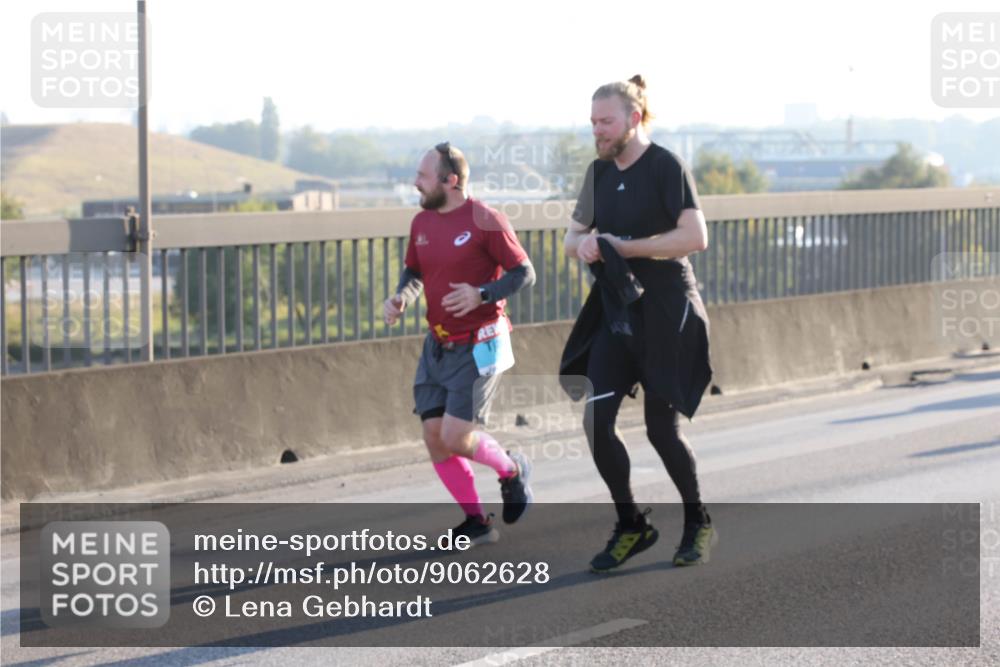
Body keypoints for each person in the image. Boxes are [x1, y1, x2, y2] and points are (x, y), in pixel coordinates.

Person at [560, 75, 717, 572]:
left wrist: (627, 247)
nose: (597, 132)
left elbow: (695, 236)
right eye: (592, 123)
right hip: (618, 310)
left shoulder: (666, 166)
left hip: (668, 309)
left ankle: (698, 522)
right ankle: (632, 525)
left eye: (605, 122)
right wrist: (584, 244)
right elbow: (571, 237)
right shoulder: (597, 173)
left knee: (660, 429)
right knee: (596, 418)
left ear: (634, 118)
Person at [385, 142, 537, 544]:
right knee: (434, 438)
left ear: (450, 181)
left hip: (480, 342)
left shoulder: (486, 219)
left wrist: (482, 294)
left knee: (455, 437)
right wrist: (403, 298)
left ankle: (512, 470)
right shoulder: (422, 222)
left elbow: (524, 274)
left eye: (423, 176)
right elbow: (414, 273)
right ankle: (477, 522)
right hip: (437, 344)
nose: (415, 182)